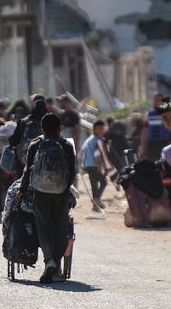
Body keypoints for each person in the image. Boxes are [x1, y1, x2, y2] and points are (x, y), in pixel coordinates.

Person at [20, 113, 77, 284]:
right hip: (61, 193)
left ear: (42, 129)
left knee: (43, 227)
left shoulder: (36, 144)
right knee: (60, 228)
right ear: (60, 129)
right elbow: (72, 171)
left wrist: (22, 190)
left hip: (40, 192)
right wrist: (66, 189)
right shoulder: (66, 145)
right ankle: (57, 266)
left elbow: (28, 171)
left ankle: (49, 261)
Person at [9, 98, 48, 177]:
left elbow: (14, 141)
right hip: (44, 163)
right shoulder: (49, 122)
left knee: (21, 184)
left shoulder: (23, 122)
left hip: (24, 162)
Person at [81, 120, 109, 210]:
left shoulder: (89, 139)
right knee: (104, 182)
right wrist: (100, 167)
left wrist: (83, 164)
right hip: (95, 166)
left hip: (88, 165)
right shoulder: (98, 140)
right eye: (99, 129)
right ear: (94, 129)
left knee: (94, 185)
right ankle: (96, 199)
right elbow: (98, 156)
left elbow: (82, 151)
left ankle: (95, 206)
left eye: (103, 129)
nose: (101, 131)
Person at [140, 94, 171, 161]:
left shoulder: (168, 113)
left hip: (165, 143)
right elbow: (145, 130)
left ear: (162, 102)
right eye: (155, 100)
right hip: (152, 144)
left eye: (158, 100)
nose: (156, 102)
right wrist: (143, 146)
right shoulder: (149, 114)